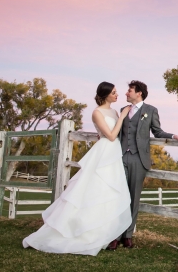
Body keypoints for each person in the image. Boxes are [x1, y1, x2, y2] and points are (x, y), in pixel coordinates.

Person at [23, 82, 133, 255]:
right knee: (94, 188)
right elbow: (111, 136)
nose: (116, 95)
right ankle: (81, 230)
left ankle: (106, 231)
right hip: (104, 151)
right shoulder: (97, 112)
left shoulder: (113, 112)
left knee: (108, 191)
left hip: (113, 154)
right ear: (105, 95)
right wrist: (122, 117)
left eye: (116, 92)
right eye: (113, 92)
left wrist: (120, 117)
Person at [109, 80, 178, 250]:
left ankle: (127, 236)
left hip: (139, 158)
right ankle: (114, 236)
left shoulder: (151, 110)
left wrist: (173, 136)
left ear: (139, 93)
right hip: (121, 156)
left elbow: (157, 131)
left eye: (129, 90)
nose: (126, 93)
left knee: (134, 198)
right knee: (118, 196)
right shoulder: (122, 110)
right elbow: (117, 132)